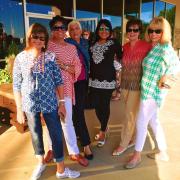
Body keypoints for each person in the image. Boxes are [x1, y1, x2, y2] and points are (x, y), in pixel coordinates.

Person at [13, 23, 80, 179]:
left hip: (50, 102)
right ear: (29, 37)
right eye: (35, 36)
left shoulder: (50, 57)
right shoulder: (20, 58)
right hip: (30, 104)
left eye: (42, 37)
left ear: (45, 40)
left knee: (56, 134)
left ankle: (61, 170)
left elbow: (58, 81)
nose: (38, 40)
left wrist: (62, 103)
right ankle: (40, 163)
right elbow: (16, 84)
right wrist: (18, 108)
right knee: (36, 134)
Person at [125, 17, 180, 169]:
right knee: (153, 122)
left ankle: (136, 156)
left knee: (141, 121)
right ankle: (163, 152)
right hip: (147, 90)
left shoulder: (165, 48)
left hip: (153, 93)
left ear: (164, 32)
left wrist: (166, 76)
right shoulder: (153, 46)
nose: (154, 33)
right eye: (151, 30)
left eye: (158, 31)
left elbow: (176, 65)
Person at [45, 15, 89, 167]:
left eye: (62, 28)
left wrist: (63, 66)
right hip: (49, 89)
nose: (60, 30)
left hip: (67, 89)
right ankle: (50, 149)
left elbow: (77, 67)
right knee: (50, 121)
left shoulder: (71, 48)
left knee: (67, 120)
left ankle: (74, 151)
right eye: (56, 28)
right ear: (52, 30)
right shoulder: (47, 45)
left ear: (66, 31)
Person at [112, 19, 152, 156]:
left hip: (137, 85)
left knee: (129, 115)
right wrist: (119, 82)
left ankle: (123, 143)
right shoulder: (125, 46)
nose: (132, 32)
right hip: (125, 85)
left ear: (140, 32)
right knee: (132, 114)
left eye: (135, 30)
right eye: (130, 30)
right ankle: (133, 138)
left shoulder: (147, 46)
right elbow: (121, 66)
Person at [89, 19, 122, 147]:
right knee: (96, 106)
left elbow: (121, 57)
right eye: (101, 28)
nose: (104, 31)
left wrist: (118, 71)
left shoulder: (114, 43)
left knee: (104, 106)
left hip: (108, 81)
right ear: (98, 30)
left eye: (107, 29)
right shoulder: (92, 43)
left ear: (110, 31)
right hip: (93, 81)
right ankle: (105, 126)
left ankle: (103, 131)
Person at [66, 20, 93, 160]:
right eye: (72, 29)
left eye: (77, 28)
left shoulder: (85, 43)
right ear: (69, 31)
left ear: (81, 30)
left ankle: (83, 140)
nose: (75, 30)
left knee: (78, 112)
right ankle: (85, 142)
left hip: (82, 82)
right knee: (75, 113)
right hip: (70, 82)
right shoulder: (66, 43)